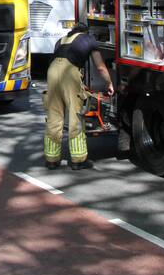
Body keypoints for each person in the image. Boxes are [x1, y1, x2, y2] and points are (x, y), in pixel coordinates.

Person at [44, 22, 114, 170]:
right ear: (86, 32)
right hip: (70, 73)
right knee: (76, 117)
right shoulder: (89, 39)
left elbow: (56, 60)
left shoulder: (61, 40)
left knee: (54, 117)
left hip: (52, 72)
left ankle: (51, 159)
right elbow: (100, 67)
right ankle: (78, 160)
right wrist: (109, 83)